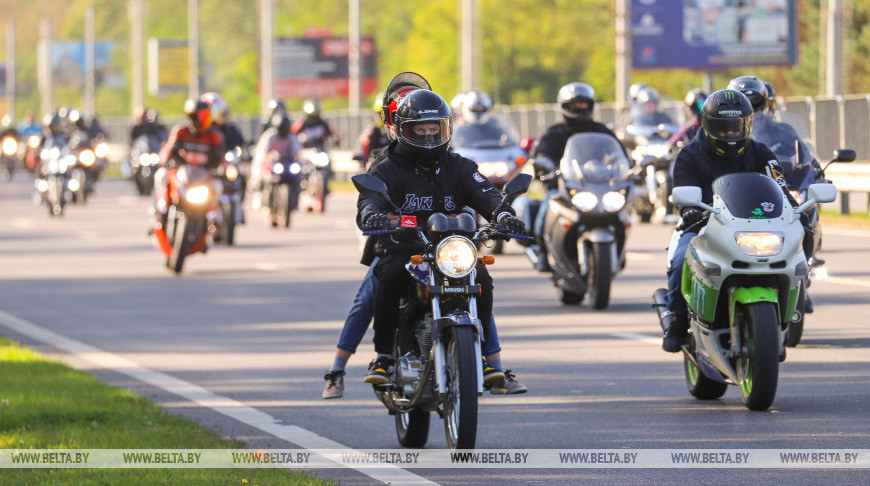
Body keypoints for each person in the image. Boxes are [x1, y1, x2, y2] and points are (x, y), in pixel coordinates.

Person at [323, 75, 526, 398]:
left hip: (452, 249)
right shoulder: (387, 168)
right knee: (387, 276)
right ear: (403, 130)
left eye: (436, 130)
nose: (430, 137)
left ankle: (491, 363)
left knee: (481, 277)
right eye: (421, 131)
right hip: (406, 247)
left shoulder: (459, 165)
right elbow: (370, 199)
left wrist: (503, 215)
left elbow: (485, 193)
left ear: (446, 129)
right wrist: (371, 215)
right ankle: (384, 359)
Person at [662, 89, 803, 352]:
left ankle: (787, 317)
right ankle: (678, 320)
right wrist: (689, 210)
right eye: (723, 129)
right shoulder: (689, 155)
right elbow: (682, 192)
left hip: (754, 227)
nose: (730, 134)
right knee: (681, 260)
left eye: (737, 128)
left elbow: (780, 187)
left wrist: (796, 209)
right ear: (707, 125)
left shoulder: (762, 153)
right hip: (703, 227)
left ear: (748, 125)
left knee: (795, 255)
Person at [529, 82, 622, 272]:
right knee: (546, 209)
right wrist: (544, 165)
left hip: (597, 185)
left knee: (622, 212)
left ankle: (618, 253)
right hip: (563, 185)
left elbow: (618, 154)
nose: (579, 107)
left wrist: (627, 167)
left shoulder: (601, 131)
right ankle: (541, 250)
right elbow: (542, 154)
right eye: (574, 104)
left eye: (583, 103)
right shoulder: (554, 133)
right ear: (564, 106)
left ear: (590, 105)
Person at [151, 100, 225, 231]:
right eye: (202, 116)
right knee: (161, 176)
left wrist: (215, 169)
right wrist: (173, 163)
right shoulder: (181, 132)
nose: (205, 120)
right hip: (182, 173)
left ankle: (213, 220)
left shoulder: (214, 136)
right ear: (193, 116)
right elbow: (172, 152)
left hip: (203, 175)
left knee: (218, 186)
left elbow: (218, 158)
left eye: (207, 116)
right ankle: (159, 215)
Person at [249, 113, 301, 211]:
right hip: (272, 163)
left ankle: (295, 199)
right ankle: (259, 195)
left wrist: (298, 160)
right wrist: (270, 157)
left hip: (286, 163)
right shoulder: (269, 136)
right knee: (259, 174)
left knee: (299, 175)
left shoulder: (291, 137)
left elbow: (297, 152)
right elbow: (263, 152)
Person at [355, 93, 390, 169]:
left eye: (388, 114)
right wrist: (363, 159)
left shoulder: (405, 133)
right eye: (381, 114)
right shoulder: (372, 132)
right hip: (379, 171)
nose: (384, 118)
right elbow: (364, 146)